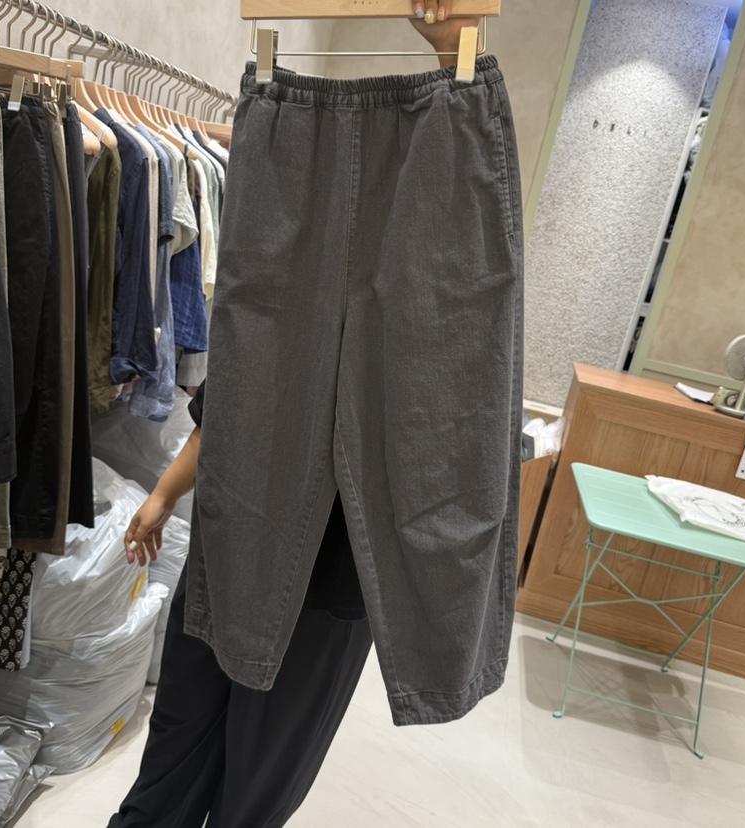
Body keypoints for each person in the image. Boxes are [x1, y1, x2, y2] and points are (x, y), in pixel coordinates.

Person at [108, 10, 482, 827]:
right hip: (233, 542)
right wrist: (165, 494)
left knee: (258, 782)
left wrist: (449, 45)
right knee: (177, 748)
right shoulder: (285, 260)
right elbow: (232, 407)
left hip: (336, 575)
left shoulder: (423, 288)